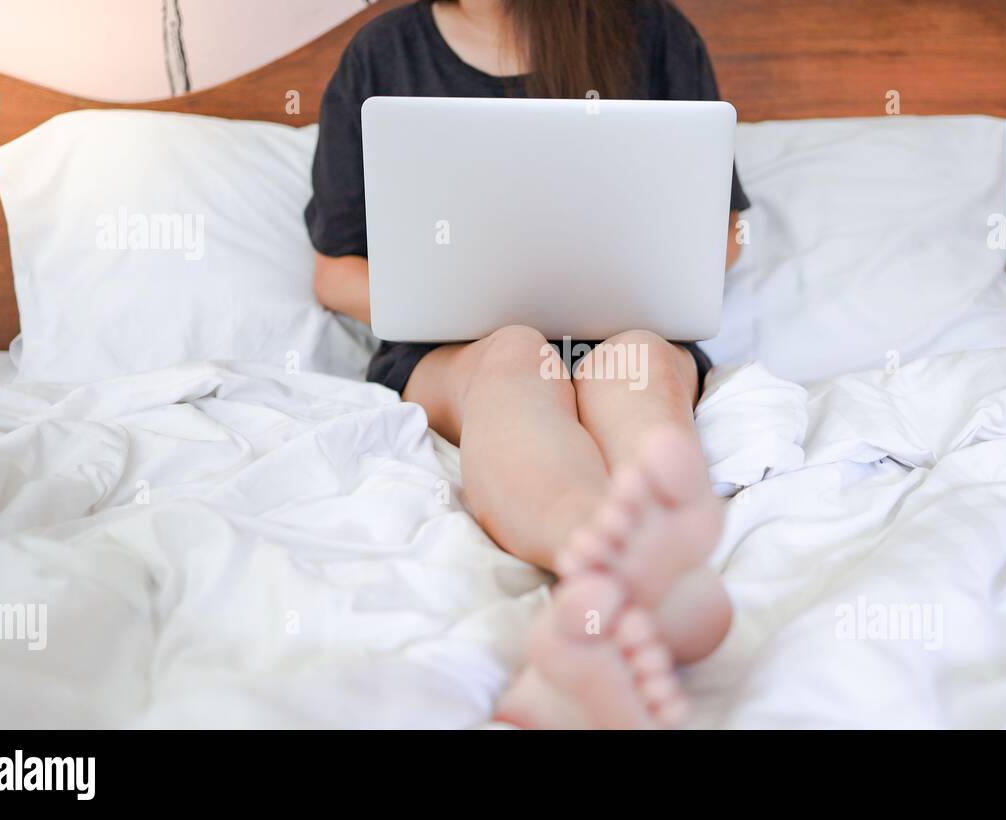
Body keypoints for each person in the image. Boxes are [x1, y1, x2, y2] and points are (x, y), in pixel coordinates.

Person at [306, 0, 748, 729]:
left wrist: (645, 275)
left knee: (636, 359)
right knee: (513, 356)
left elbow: (726, 230)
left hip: (627, 328)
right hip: (456, 349)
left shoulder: (652, 32)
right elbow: (335, 271)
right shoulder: (383, 52)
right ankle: (624, 571)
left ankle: (614, 596)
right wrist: (457, 298)